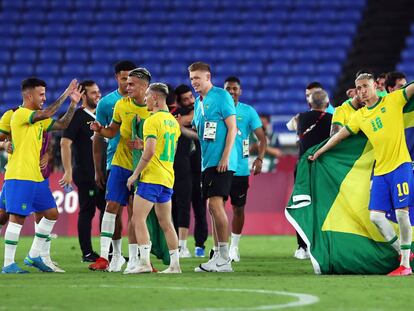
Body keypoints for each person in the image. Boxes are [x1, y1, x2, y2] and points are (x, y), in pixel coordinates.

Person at [309, 73, 414, 276]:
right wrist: (320, 151)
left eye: (365, 86)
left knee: (402, 214)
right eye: (358, 88)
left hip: (401, 166)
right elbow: (339, 136)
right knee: (376, 217)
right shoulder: (360, 116)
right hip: (381, 172)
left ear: (375, 86)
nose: (362, 91)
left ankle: (405, 266)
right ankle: (404, 252)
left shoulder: (393, 100)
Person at [2, 77, 82, 274]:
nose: (44, 98)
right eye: (41, 94)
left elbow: (62, 124)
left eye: (45, 94)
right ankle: (8, 264)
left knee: (51, 213)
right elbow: (49, 112)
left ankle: (34, 255)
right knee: (17, 217)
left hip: (36, 177)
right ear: (29, 96)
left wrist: (73, 103)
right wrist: (65, 92)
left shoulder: (39, 119)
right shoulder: (20, 114)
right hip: (20, 174)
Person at [88, 68, 151, 273]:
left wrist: (144, 145)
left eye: (132, 83)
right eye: (126, 82)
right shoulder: (121, 105)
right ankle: (107, 257)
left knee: (135, 213)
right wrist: (99, 129)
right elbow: (111, 131)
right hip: (120, 164)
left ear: (144, 86)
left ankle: (134, 259)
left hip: (143, 168)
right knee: (111, 206)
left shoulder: (154, 108)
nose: (127, 86)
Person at [187, 61, 237, 272]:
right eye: (191, 79)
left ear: (208, 77)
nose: (194, 82)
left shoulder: (221, 96)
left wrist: (225, 157)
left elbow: (232, 128)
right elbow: (201, 135)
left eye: (197, 78)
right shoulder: (199, 103)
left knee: (216, 206)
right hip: (207, 162)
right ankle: (217, 255)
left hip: (220, 162)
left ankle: (224, 258)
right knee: (211, 207)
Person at [126, 83, 181, 274]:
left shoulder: (151, 121)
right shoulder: (174, 122)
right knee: (166, 223)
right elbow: (164, 149)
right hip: (167, 177)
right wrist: (144, 146)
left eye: (148, 96)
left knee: (137, 219)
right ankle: (175, 265)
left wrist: (135, 174)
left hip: (151, 177)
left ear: (156, 98)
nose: (146, 99)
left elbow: (149, 152)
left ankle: (144, 262)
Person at [92, 60, 137, 264]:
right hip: (115, 161)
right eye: (123, 78)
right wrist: (98, 169)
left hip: (139, 163)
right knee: (114, 209)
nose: (127, 82)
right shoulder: (107, 103)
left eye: (131, 78)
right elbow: (99, 137)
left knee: (136, 211)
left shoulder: (146, 101)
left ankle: (137, 255)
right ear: (116, 78)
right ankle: (116, 255)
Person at [60, 80, 106, 262]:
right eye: (93, 93)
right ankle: (87, 252)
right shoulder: (77, 117)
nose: (98, 95)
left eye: (99, 92)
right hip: (86, 173)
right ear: (84, 96)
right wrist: (67, 171)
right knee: (88, 210)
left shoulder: (104, 115)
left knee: (107, 210)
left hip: (105, 172)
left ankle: (108, 252)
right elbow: (65, 143)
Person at [224, 76, 267, 262]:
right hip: (219, 167)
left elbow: (262, 138)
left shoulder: (248, 112)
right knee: (214, 207)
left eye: (235, 89)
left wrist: (260, 158)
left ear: (240, 91)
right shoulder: (216, 110)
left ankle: (234, 247)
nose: (232, 91)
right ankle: (220, 248)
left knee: (238, 209)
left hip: (240, 169)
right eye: (228, 89)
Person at [171, 84, 207, 258]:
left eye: (190, 97)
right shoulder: (177, 115)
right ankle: (180, 245)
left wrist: (182, 123)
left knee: (200, 207)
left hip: (199, 166)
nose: (190, 101)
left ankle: (200, 244)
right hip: (182, 166)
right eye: (185, 99)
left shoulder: (199, 111)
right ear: (178, 101)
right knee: (180, 205)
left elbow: (194, 119)